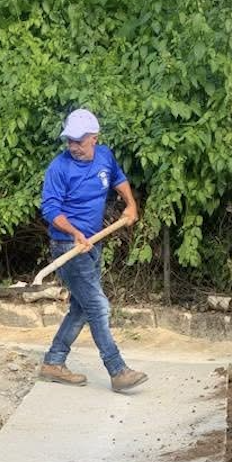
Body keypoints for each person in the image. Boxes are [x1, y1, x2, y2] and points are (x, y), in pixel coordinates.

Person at [37, 109, 148, 393]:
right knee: (98, 306)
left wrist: (130, 204)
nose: (73, 146)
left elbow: (118, 178)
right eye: (69, 141)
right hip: (69, 246)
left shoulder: (104, 156)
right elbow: (50, 208)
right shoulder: (59, 168)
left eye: (78, 141)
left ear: (94, 138)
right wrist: (75, 233)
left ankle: (53, 362)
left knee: (80, 308)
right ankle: (117, 370)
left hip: (93, 243)